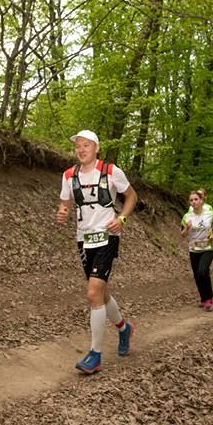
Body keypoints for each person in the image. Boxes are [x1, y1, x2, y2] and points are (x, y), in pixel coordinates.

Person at [57, 130, 137, 375]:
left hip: (107, 237)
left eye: (86, 145)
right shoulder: (69, 175)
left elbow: (131, 196)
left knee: (93, 293)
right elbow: (65, 203)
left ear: (96, 148)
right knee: (101, 293)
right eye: (78, 146)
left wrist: (121, 218)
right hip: (84, 239)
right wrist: (62, 212)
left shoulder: (112, 171)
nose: (81, 149)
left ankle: (95, 355)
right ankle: (124, 328)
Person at [183, 190, 213, 310]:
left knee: (203, 271)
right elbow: (182, 234)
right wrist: (187, 228)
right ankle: (203, 298)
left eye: (196, 199)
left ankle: (209, 298)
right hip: (193, 249)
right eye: (191, 200)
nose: (193, 202)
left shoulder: (209, 213)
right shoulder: (187, 216)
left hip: (207, 248)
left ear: (201, 200)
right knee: (197, 275)